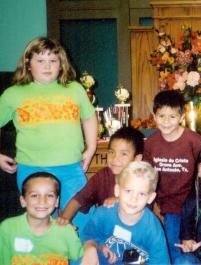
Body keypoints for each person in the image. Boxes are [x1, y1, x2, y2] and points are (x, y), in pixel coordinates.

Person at [0, 37, 97, 229]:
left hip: (71, 169)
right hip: (32, 170)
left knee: (84, 222)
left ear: (61, 64)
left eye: (53, 61)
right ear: (28, 64)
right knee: (43, 226)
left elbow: (89, 117)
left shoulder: (75, 90)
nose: (47, 66)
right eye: (40, 61)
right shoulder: (13, 94)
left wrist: (91, 147)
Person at [143, 90, 201, 263]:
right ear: (154, 116)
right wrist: (152, 204)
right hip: (163, 203)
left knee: (179, 248)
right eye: (161, 116)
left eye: (172, 116)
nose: (166, 122)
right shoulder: (151, 143)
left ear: (181, 116)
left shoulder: (193, 140)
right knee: (165, 246)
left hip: (189, 203)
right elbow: (146, 176)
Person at [80, 161, 170, 264]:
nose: (133, 199)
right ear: (117, 190)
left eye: (141, 194)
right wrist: (92, 247)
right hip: (109, 260)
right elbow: (88, 235)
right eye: (128, 191)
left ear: (150, 198)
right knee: (86, 256)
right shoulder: (103, 214)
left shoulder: (153, 228)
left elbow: (160, 261)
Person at [0, 172, 90, 264]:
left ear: (57, 201)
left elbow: (81, 260)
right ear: (23, 201)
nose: (42, 201)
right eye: (34, 195)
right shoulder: (8, 228)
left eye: (49, 195)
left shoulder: (66, 230)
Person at [59, 127, 144, 225]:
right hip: (105, 231)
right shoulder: (102, 176)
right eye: (111, 152)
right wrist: (65, 218)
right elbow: (78, 199)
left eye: (123, 154)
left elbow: (143, 209)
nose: (115, 158)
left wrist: (119, 201)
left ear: (137, 158)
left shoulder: (142, 180)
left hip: (134, 231)